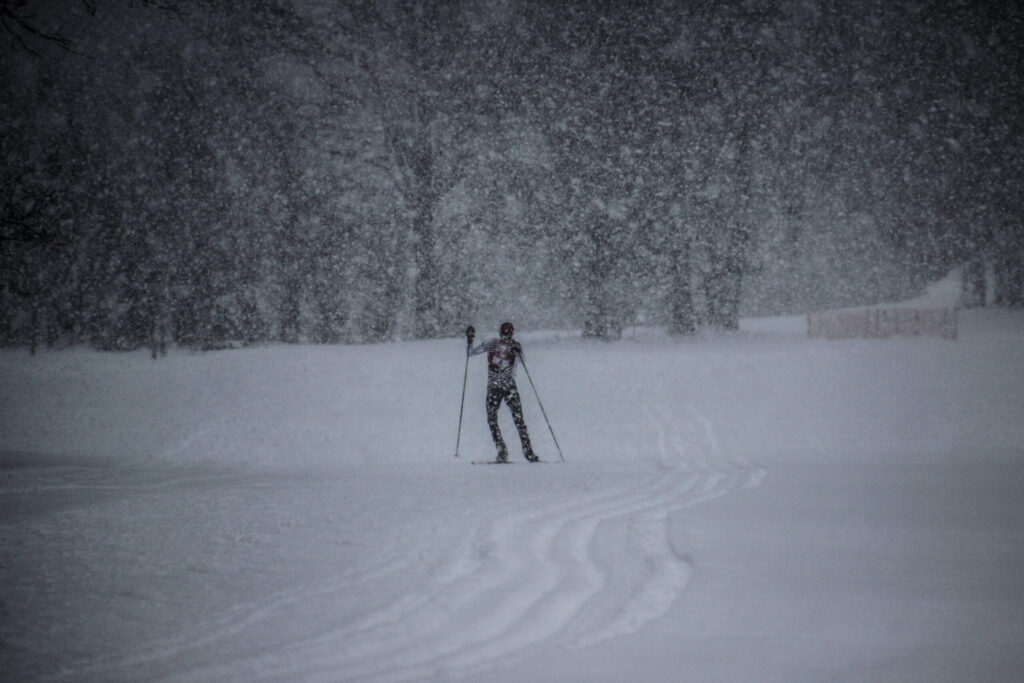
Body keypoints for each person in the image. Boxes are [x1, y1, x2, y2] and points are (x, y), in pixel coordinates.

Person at [469, 322, 538, 463]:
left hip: (507, 387)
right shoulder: (491, 343)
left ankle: (526, 452)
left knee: (516, 420)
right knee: (496, 419)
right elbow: (471, 353)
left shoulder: (514, 345)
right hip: (497, 386)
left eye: (508, 333)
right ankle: (504, 450)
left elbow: (522, 361)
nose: (507, 335)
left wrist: (518, 350)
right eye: (505, 333)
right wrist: (470, 340)